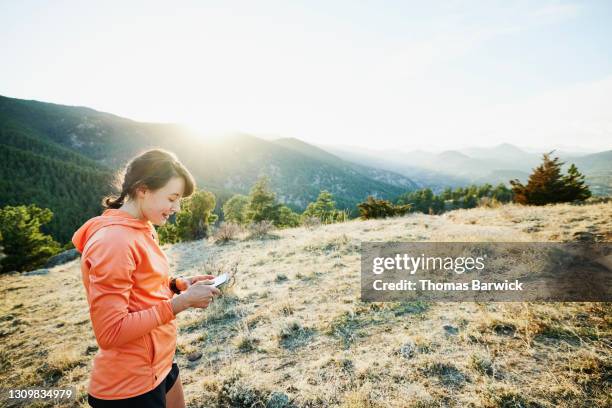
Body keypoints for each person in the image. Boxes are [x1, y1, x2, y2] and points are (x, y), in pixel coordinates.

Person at [72, 148, 221, 408]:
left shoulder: (143, 226)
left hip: (160, 362)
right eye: (172, 198)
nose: (177, 208)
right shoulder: (113, 241)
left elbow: (142, 286)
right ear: (142, 189)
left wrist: (177, 285)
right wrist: (181, 303)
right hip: (129, 387)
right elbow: (110, 332)